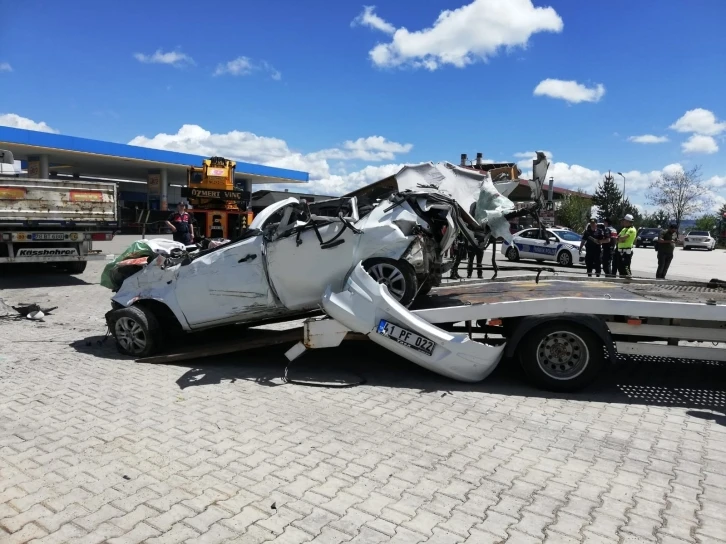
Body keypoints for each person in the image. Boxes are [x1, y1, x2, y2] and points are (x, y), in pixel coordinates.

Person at [613, 214, 637, 278]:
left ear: (628, 221)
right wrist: (619, 239)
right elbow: (617, 238)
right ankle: (622, 279)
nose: (623, 222)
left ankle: (629, 278)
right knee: (620, 267)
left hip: (626, 251)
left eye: (624, 221)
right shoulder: (624, 229)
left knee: (626, 267)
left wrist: (620, 239)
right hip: (620, 250)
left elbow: (623, 238)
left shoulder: (632, 230)